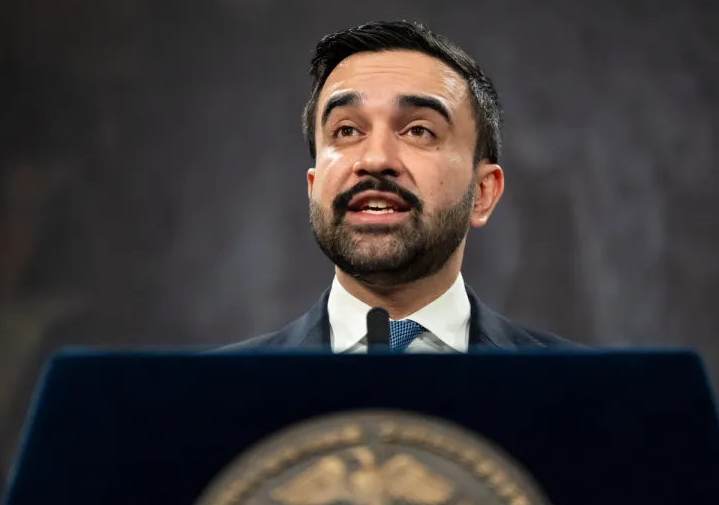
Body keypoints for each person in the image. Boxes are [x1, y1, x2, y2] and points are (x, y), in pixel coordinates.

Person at [226, 21, 578, 353]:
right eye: (347, 130)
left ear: (483, 193)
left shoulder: (583, 391)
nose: (376, 159)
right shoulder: (212, 394)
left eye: (418, 131)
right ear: (314, 186)